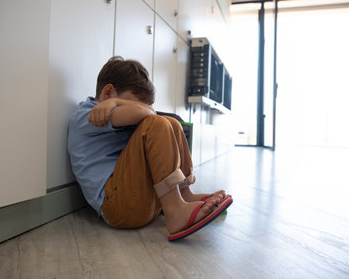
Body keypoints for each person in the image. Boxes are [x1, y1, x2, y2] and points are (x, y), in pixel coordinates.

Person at [67, 56, 232, 241]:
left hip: (141, 201)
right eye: (137, 102)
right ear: (108, 93)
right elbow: (147, 114)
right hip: (116, 207)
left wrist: (119, 102)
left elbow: (147, 114)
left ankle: (184, 195)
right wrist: (116, 104)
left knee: (173, 124)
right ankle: (176, 211)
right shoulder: (91, 115)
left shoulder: (113, 111)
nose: (144, 108)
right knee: (156, 123)